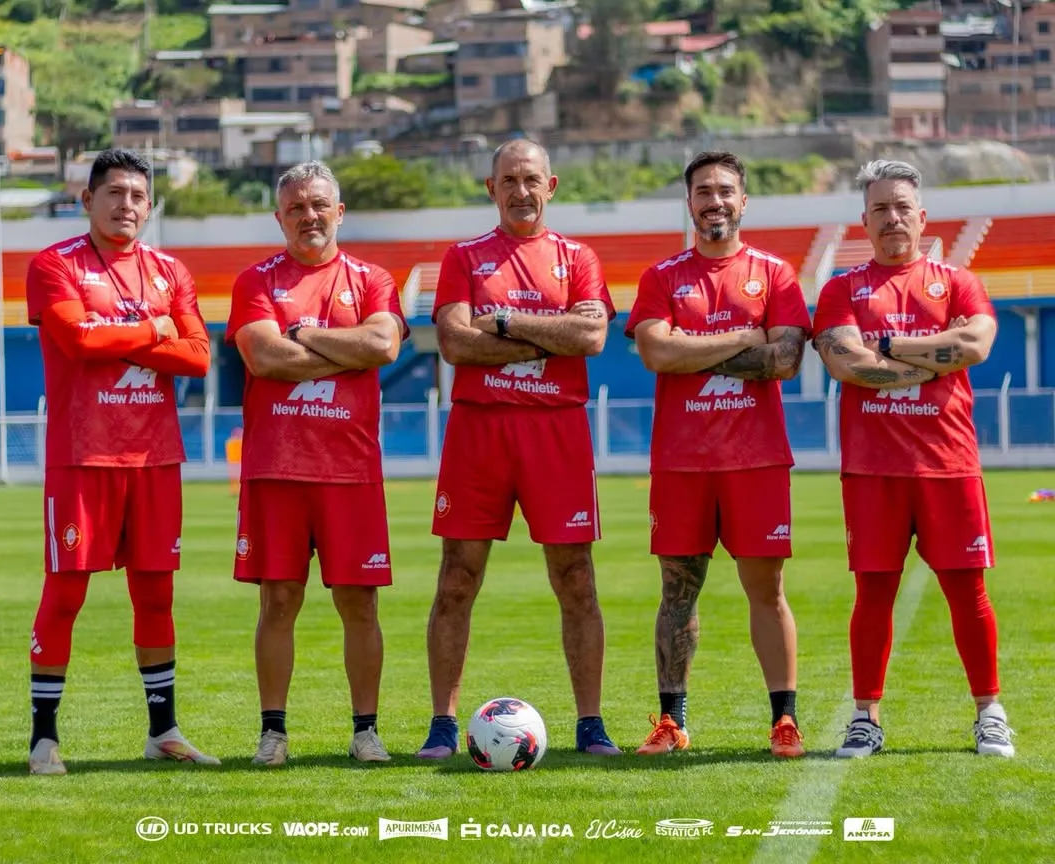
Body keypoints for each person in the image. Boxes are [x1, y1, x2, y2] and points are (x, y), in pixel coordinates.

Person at [416, 139, 621, 759]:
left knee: (576, 579)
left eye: (531, 179)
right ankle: (442, 726)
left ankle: (591, 724)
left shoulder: (577, 257)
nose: (521, 190)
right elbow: (454, 342)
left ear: (551, 186)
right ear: (491, 187)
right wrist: (544, 341)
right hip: (480, 432)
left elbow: (589, 335)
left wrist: (503, 323)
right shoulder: (464, 258)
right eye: (509, 179)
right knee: (457, 578)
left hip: (555, 431)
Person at [812, 159, 1013, 758]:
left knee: (967, 592)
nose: (892, 217)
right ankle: (865, 718)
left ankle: (989, 711)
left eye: (902, 207)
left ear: (922, 217)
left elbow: (973, 345)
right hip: (873, 469)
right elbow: (848, 364)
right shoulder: (841, 289)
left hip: (948, 462)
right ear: (865, 221)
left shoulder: (958, 281)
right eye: (880, 209)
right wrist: (933, 356)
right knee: (873, 593)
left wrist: (890, 345)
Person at [24, 148, 216, 774]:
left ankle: (163, 731)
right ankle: (44, 739)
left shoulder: (169, 270)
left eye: (137, 195)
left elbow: (199, 357)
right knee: (65, 593)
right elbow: (79, 341)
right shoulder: (54, 265)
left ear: (150, 205)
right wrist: (156, 330)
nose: (126, 205)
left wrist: (135, 335)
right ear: (88, 200)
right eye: (114, 193)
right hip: (82, 456)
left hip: (155, 457)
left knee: (156, 596)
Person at [626, 151, 811, 758]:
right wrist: (741, 338)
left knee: (767, 589)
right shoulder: (661, 278)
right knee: (678, 593)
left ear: (743, 200)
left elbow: (783, 359)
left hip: (755, 459)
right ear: (689, 203)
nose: (715, 200)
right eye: (703, 190)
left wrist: (691, 346)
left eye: (726, 190)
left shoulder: (775, 274)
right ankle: (671, 722)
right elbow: (656, 354)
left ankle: (783, 721)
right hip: (682, 462)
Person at [227, 161, 407, 766]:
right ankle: (273, 732)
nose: (310, 216)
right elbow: (266, 358)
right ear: (279, 216)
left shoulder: (373, 278)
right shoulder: (254, 281)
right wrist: (344, 350)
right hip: (277, 468)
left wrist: (303, 335)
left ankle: (366, 731)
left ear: (340, 211)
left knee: (360, 603)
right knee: (278, 601)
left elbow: (383, 344)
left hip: (351, 470)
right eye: (297, 207)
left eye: (319, 204)